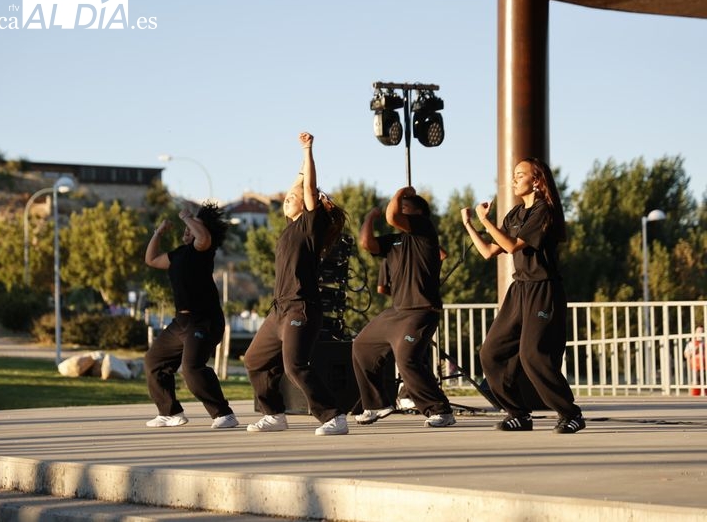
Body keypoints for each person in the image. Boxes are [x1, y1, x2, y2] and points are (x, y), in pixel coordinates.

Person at [461, 157, 585, 433]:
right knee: (491, 353)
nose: (514, 179)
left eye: (520, 174)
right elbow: (490, 251)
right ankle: (518, 413)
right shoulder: (516, 213)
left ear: (537, 181)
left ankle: (571, 413)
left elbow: (511, 245)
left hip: (544, 289)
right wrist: (471, 225)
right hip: (519, 290)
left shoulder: (544, 211)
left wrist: (486, 221)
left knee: (533, 355)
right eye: (514, 174)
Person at [243, 132, 349, 436]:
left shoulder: (309, 226)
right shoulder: (290, 229)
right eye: (288, 196)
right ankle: (274, 414)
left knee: (295, 366)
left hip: (301, 308)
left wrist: (308, 151)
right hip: (279, 311)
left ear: (307, 205)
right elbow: (299, 185)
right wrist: (298, 171)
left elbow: (308, 188)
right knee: (254, 360)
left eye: (295, 197)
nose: (289, 197)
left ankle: (334, 416)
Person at [352, 187, 456, 428]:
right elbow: (367, 244)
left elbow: (392, 216)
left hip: (421, 310)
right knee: (362, 346)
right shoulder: (395, 240)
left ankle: (441, 411)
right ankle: (376, 404)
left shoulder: (424, 229)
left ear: (419, 212)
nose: (400, 208)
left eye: (406, 206)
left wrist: (401, 192)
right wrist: (369, 218)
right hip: (396, 311)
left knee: (407, 359)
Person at [143, 204, 238, 429]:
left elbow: (203, 236)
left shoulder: (204, 249)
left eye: (193, 226)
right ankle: (170, 413)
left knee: (192, 368)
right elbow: (152, 259)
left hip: (204, 320)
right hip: (181, 322)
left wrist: (186, 216)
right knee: (154, 362)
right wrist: (158, 233)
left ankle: (224, 414)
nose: (188, 229)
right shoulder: (178, 254)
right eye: (187, 226)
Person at [684, 325, 704, 394]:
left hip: (705, 367)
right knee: (696, 382)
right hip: (695, 367)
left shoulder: (705, 343)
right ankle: (695, 394)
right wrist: (694, 351)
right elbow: (686, 355)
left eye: (702, 331)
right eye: (698, 331)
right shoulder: (691, 343)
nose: (700, 333)